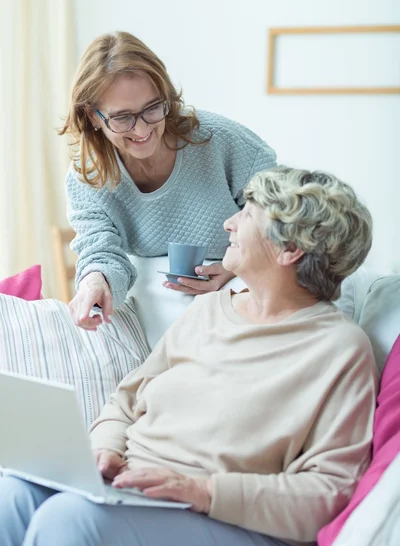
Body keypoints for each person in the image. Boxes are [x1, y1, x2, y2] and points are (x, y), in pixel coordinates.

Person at [0, 167, 377, 546]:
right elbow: (126, 400)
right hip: (135, 491)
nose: (229, 223)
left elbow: (328, 492)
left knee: (70, 521)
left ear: (289, 248)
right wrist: (105, 449)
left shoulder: (340, 349)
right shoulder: (209, 308)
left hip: (240, 525)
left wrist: (203, 491)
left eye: (248, 214)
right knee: (10, 497)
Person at [60, 31, 277, 331]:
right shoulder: (89, 176)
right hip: (159, 307)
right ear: (93, 116)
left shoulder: (220, 141)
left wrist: (234, 267)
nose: (142, 129)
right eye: (122, 118)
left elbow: (277, 218)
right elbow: (100, 250)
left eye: (152, 108)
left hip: (237, 290)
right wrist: (95, 280)